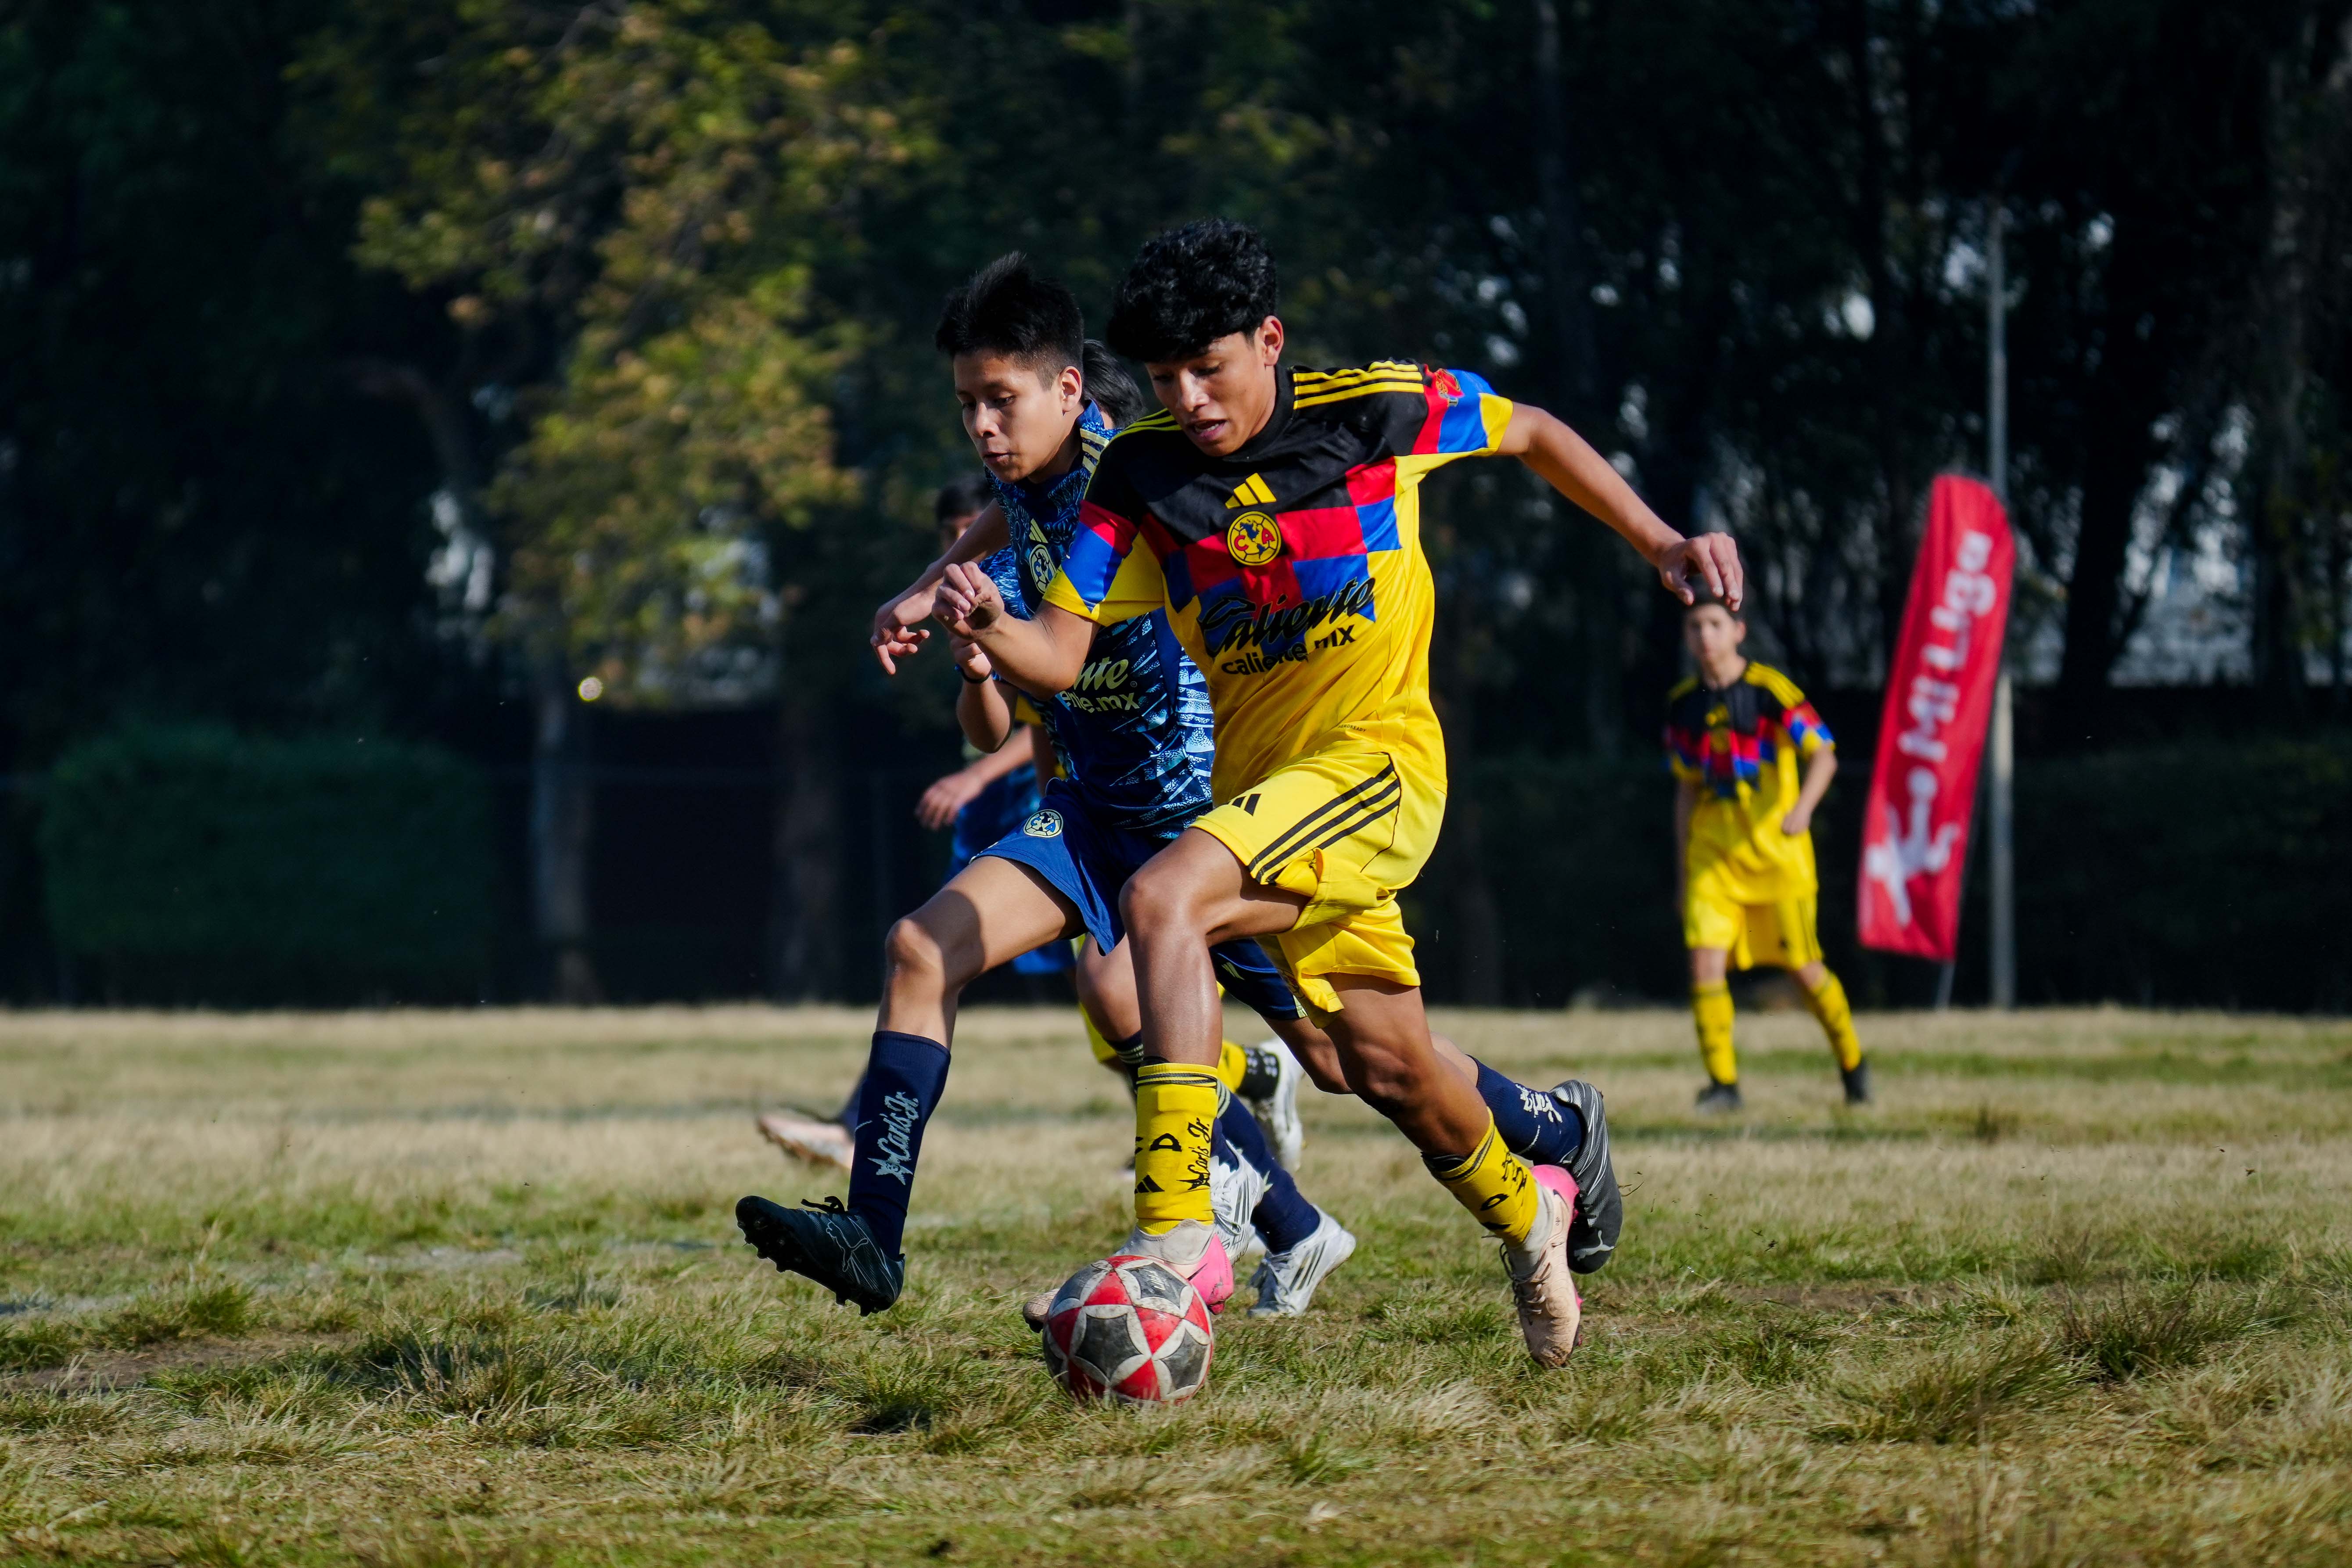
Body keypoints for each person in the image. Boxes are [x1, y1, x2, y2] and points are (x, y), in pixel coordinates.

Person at [936, 220, 1742, 1367]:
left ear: (1269, 339)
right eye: (1165, 377)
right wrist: (988, 630)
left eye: (1207, 367)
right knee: (1382, 1065)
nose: (1188, 397)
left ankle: (1174, 1227)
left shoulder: (1379, 410)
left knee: (1166, 899)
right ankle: (1534, 1209)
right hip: (1265, 798)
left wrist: (1657, 541)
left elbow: (1533, 431)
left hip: (1374, 768)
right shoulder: (1141, 472)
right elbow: (1061, 655)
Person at [736, 255, 1360, 1320]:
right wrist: (924, 590)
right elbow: (1004, 511)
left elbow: (1057, 656)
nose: (981, 425)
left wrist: (977, 628)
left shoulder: (1132, 485)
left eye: (1000, 400)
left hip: (1197, 816)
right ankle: (870, 1237)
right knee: (921, 947)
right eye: (966, 404)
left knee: (1354, 1061)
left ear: (1070, 388)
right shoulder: (1028, 476)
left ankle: (1531, 1139)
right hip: (1088, 809)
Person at [754, 482, 1068, 1174]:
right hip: (1045, 813)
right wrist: (974, 670)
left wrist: (973, 779)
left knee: (1126, 999)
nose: (966, 545)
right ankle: (864, 1156)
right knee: (927, 949)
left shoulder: (1071, 561)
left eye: (976, 526)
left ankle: (1239, 1130)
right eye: (954, 532)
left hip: (1099, 808)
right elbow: (994, 721)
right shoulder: (986, 591)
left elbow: (1054, 700)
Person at [1666, 589, 1868, 1112]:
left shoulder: (1770, 690)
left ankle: (1852, 1065)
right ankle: (1723, 1085)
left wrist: (1802, 809)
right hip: (1714, 857)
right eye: (1695, 627)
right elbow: (1687, 788)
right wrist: (1683, 868)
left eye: (1714, 623)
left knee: (1805, 970)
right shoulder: (1683, 704)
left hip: (1778, 860)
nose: (1704, 636)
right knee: (1704, 965)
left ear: (1738, 631)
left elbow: (1822, 754)